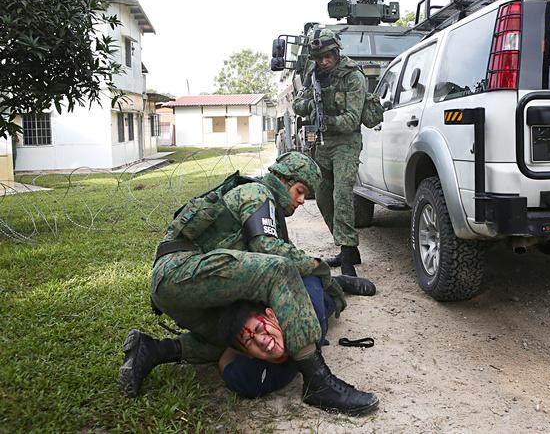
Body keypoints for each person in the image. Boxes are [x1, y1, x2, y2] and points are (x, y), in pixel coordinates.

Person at [118, 152, 378, 415]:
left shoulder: (263, 200)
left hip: (186, 288)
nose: (301, 200)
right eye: (299, 191)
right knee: (279, 269)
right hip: (181, 273)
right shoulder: (257, 191)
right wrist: (319, 267)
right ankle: (318, 382)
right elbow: (268, 249)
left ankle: (153, 350)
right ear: (281, 179)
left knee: (239, 338)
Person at [217, 271, 374, 399]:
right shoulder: (253, 380)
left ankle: (339, 281)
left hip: (312, 296)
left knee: (325, 301)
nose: (262, 341)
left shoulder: (305, 313)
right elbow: (224, 363)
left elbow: (310, 276)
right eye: (250, 342)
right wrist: (239, 346)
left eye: (259, 329)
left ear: (272, 315)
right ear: (247, 354)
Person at [293, 29, 366, 277]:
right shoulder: (313, 75)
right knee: (323, 197)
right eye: (319, 57)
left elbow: (352, 119)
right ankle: (349, 247)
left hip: (346, 142)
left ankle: (347, 259)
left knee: (342, 196)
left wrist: (328, 121)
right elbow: (298, 105)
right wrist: (313, 103)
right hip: (322, 144)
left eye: (328, 56)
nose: (324, 61)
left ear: (336, 52)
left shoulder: (353, 76)